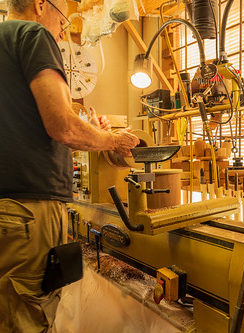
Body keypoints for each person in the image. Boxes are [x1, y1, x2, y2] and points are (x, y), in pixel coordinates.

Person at [0, 0, 140, 331]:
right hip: (28, 210)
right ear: (39, 5)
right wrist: (112, 141)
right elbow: (61, 126)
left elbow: (23, 121)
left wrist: (89, 127)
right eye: (62, 21)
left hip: (11, 210)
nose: (63, 31)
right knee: (27, 318)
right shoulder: (32, 34)